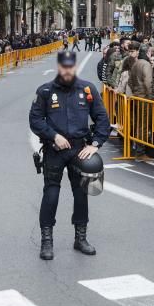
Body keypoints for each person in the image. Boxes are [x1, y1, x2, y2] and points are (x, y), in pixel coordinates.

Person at [29, 50, 111, 260]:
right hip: (54, 150)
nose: (67, 71)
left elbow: (102, 118)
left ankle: (80, 238)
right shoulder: (45, 91)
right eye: (64, 67)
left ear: (74, 67)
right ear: (59, 68)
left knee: (81, 194)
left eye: (70, 67)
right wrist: (53, 135)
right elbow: (36, 120)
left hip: (79, 150)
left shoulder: (87, 89)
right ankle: (47, 241)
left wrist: (96, 144)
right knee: (51, 195)